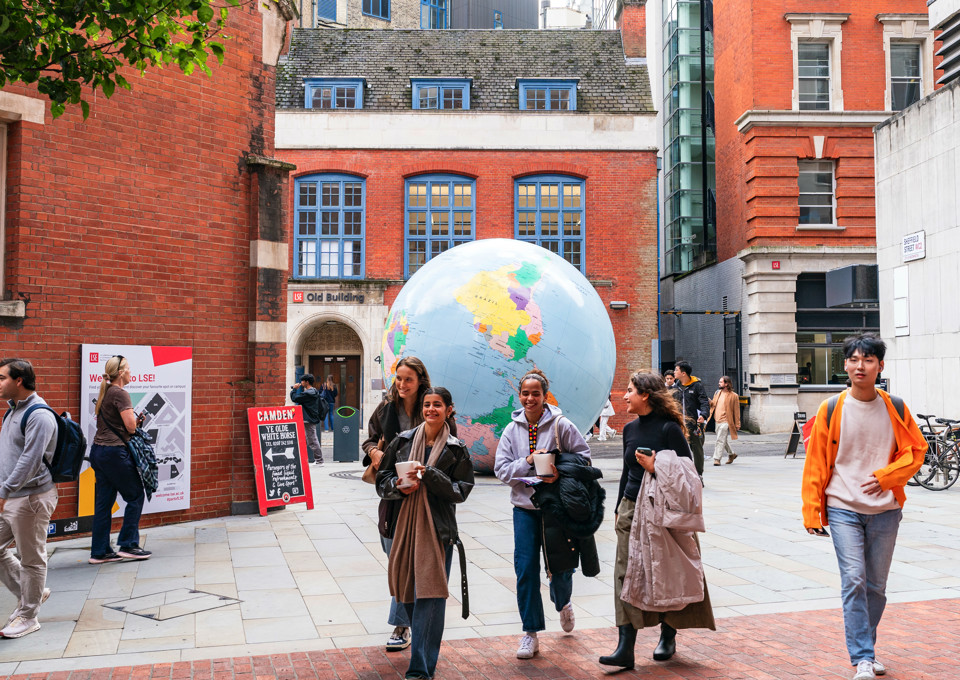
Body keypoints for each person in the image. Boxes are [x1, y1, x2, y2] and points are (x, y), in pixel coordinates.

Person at [801, 333, 926, 680]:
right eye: (854, 359)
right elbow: (815, 464)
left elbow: (917, 451)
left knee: (876, 587)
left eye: (868, 360)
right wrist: (812, 510)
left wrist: (888, 476)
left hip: (886, 510)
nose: (860, 365)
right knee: (854, 579)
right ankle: (863, 658)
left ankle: (867, 649)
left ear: (879, 366)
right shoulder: (830, 409)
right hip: (843, 506)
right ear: (845, 365)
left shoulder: (896, 407)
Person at [599, 371, 715, 670]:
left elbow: (689, 475)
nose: (624, 396)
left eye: (629, 390)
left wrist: (656, 465)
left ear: (645, 395)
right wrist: (617, 507)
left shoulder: (669, 429)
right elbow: (627, 472)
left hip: (665, 512)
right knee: (625, 574)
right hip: (630, 507)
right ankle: (625, 647)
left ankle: (668, 635)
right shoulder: (630, 429)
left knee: (669, 571)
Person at [376, 387, 474, 680]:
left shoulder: (456, 449)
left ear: (449, 409)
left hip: (437, 532)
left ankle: (420, 669)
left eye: (438, 405)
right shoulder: (402, 442)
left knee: (429, 598)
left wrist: (431, 476)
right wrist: (398, 485)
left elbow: (461, 491)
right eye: (427, 405)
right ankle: (420, 654)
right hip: (404, 528)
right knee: (407, 595)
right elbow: (382, 481)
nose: (431, 410)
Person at [494, 368, 590, 660]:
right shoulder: (512, 430)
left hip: (556, 508)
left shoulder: (562, 425)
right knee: (525, 570)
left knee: (560, 567)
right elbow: (501, 470)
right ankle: (530, 632)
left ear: (545, 395)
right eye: (525, 393)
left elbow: (584, 459)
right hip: (524, 509)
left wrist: (558, 472)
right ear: (519, 395)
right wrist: (526, 462)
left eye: (536, 393)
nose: (530, 398)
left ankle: (564, 601)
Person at [362, 357, 432, 652]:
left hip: (423, 493)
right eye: (399, 378)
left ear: (420, 381)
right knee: (397, 560)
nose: (402, 385)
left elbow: (448, 440)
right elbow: (369, 441)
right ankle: (412, 619)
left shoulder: (430, 407)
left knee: (411, 562)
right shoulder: (384, 409)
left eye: (408, 380)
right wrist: (374, 455)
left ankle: (402, 625)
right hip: (392, 494)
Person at [0, 359, 59, 639]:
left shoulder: (39, 415)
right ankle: (32, 595)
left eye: (2, 378)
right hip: (11, 496)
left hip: (31, 498)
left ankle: (28, 616)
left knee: (32, 560)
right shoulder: (11, 412)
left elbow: (30, 462)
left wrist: (4, 491)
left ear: (19, 380)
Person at [88, 355, 152, 565]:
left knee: (104, 503)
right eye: (129, 369)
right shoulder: (121, 393)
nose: (132, 372)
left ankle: (100, 551)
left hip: (99, 451)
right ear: (122, 372)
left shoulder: (106, 392)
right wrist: (136, 420)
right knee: (135, 495)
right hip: (114, 453)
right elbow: (131, 427)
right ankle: (128, 544)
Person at [673, 362, 710, 476]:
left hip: (694, 424)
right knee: (678, 450)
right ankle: (682, 474)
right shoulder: (675, 388)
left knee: (697, 449)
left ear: (683, 373)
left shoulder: (697, 386)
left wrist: (703, 415)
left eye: (676, 370)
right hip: (679, 425)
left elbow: (704, 402)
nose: (674, 372)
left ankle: (699, 474)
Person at [290, 374, 323, 465]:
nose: (301, 383)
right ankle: (305, 459)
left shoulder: (309, 393)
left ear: (307, 382)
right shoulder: (313, 392)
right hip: (309, 418)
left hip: (309, 419)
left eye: (302, 381)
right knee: (306, 439)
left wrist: (294, 389)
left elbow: (295, 398)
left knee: (312, 439)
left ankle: (319, 461)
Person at [708, 376, 741, 466]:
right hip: (717, 420)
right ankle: (731, 454)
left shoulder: (734, 396)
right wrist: (709, 401)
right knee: (723, 439)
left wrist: (737, 423)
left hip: (726, 421)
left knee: (719, 440)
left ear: (726, 384)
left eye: (721, 382)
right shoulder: (717, 393)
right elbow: (713, 404)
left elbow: (737, 411)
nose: (719, 383)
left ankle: (717, 459)